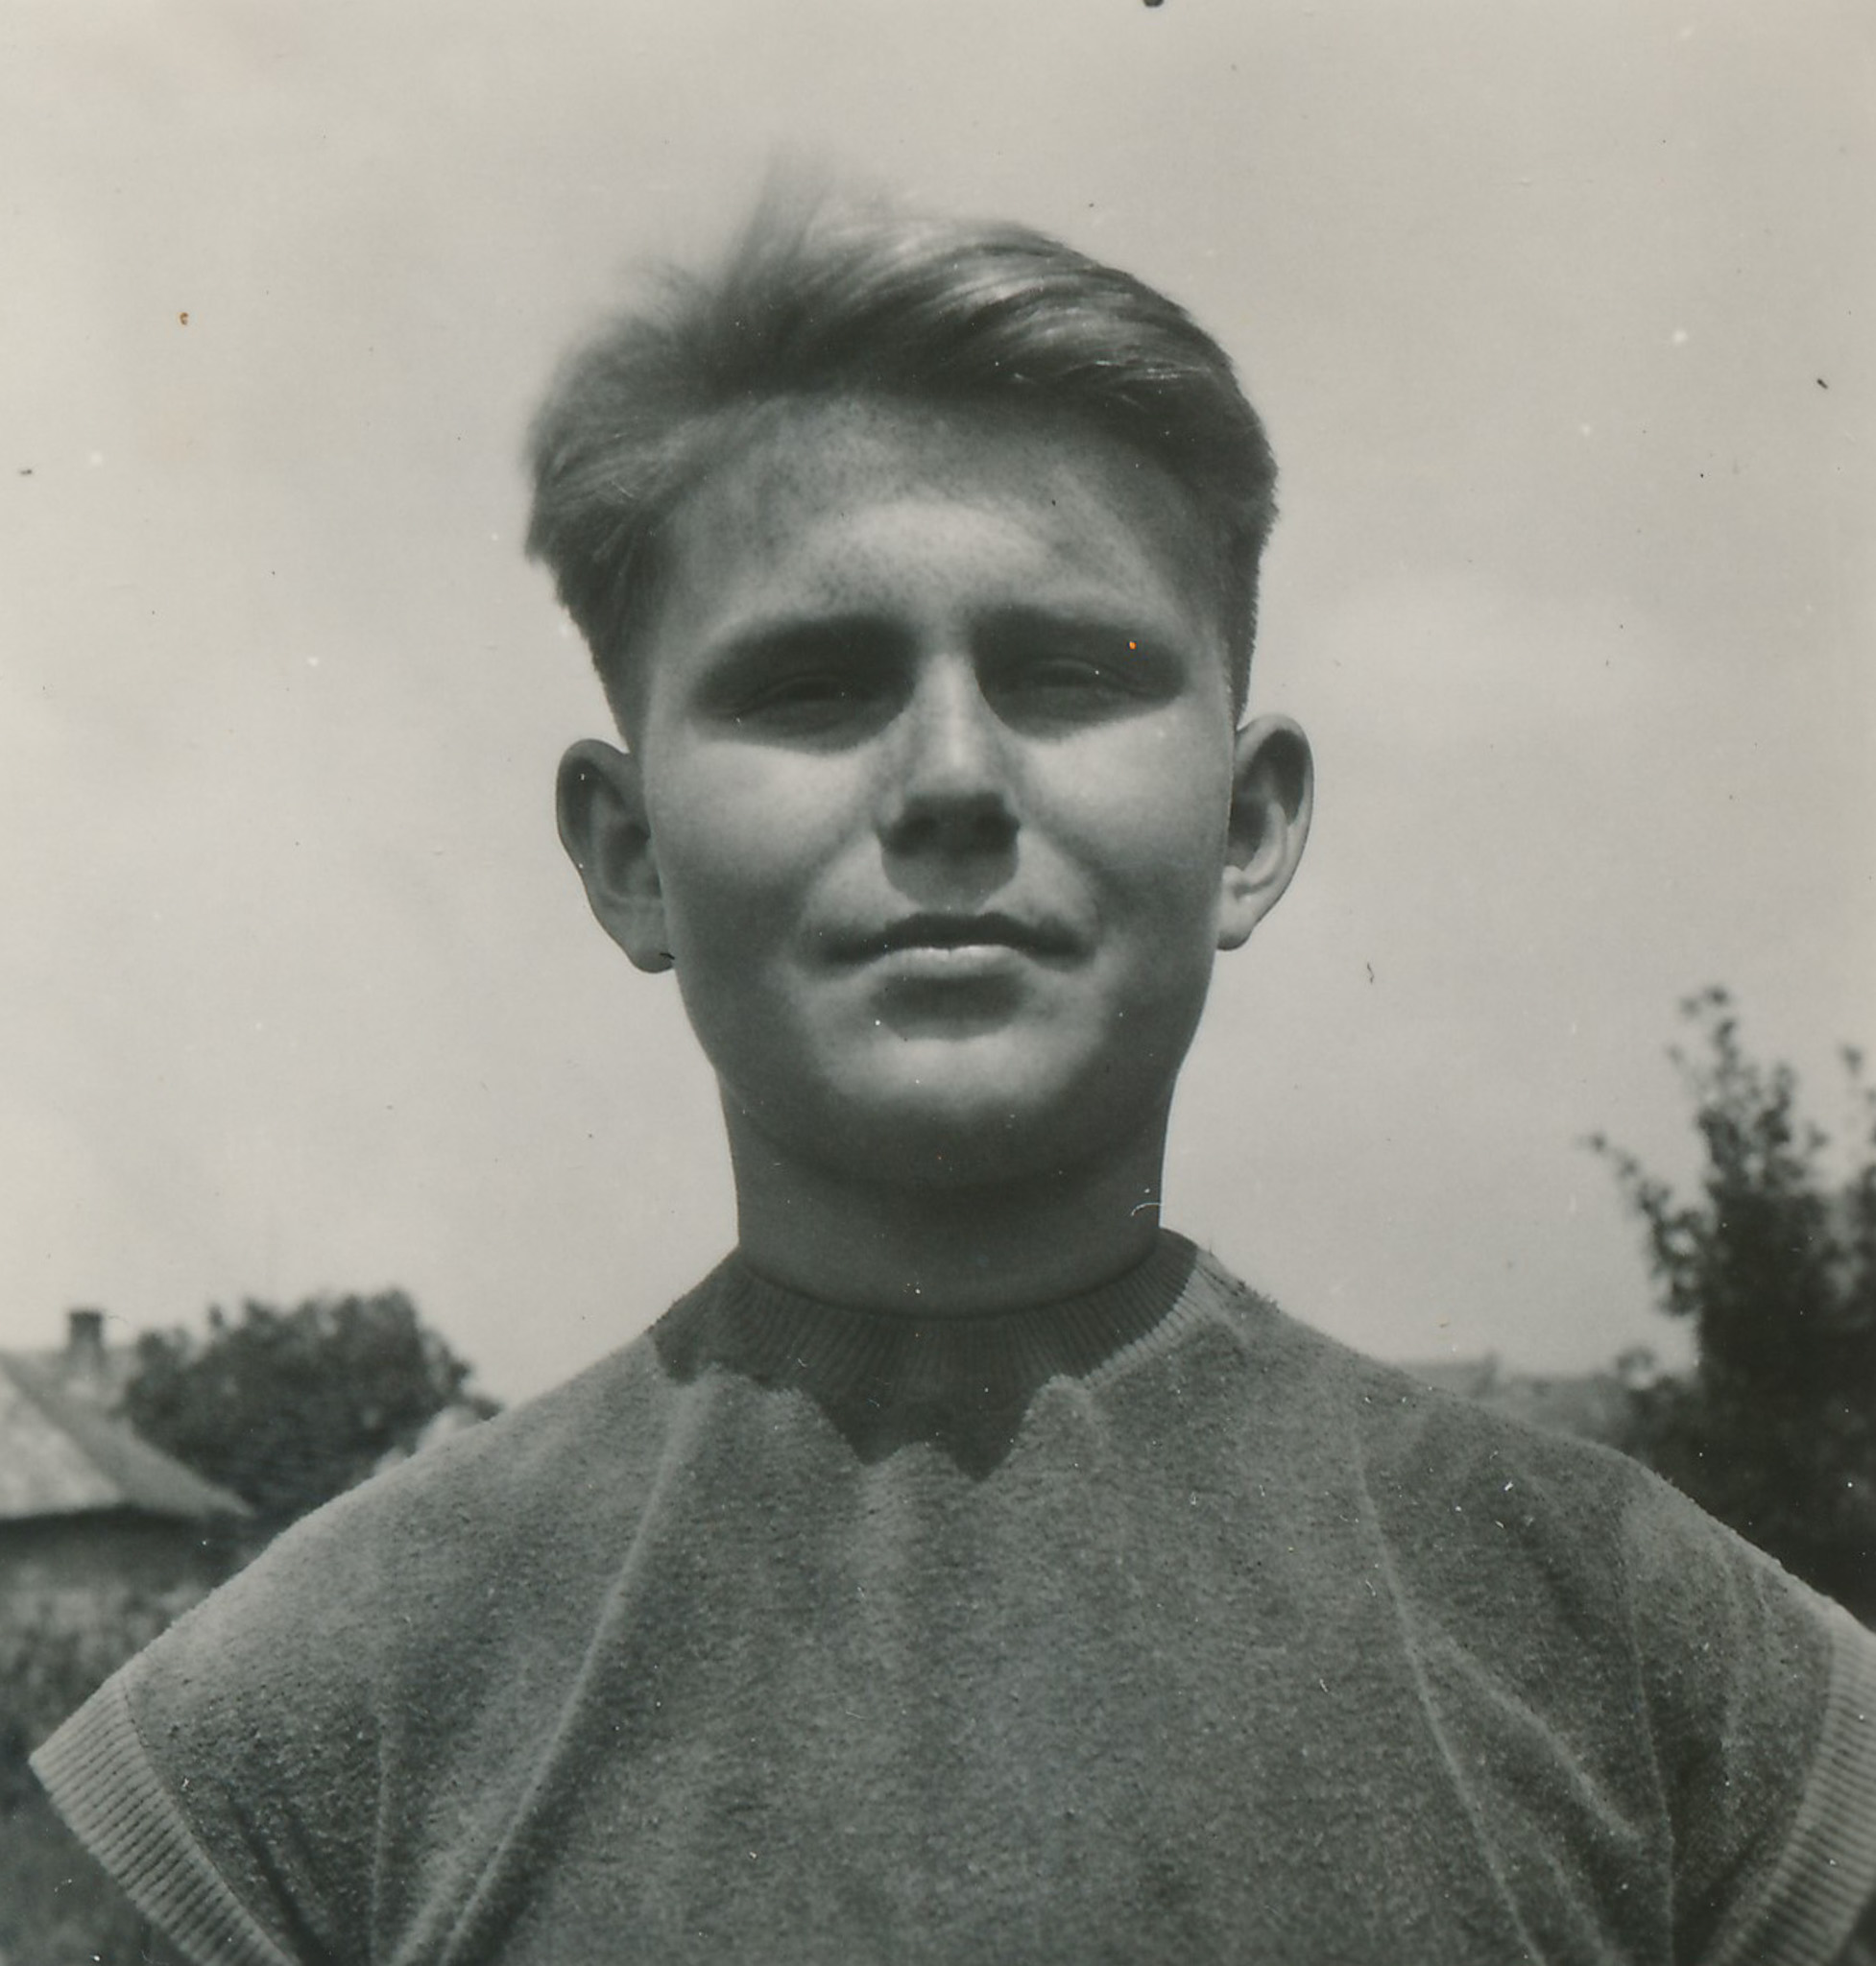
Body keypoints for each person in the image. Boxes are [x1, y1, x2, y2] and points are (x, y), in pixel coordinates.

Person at [33, 191, 1876, 1965]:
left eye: (1068, 671)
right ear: (630, 852)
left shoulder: (1670, 1669)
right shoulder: (302, 1731)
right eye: (812, 685)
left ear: (1243, 827)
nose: (950, 782)